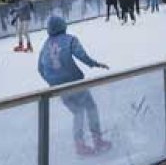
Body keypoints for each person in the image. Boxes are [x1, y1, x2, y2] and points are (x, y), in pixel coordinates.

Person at [37, 15, 111, 155]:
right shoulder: (70, 39)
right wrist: (94, 64)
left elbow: (40, 68)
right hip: (74, 83)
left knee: (77, 112)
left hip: (59, 88)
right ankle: (97, 139)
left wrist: (52, 81)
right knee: (91, 108)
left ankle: (79, 145)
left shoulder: (45, 45)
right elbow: (81, 55)